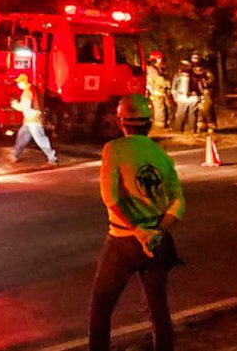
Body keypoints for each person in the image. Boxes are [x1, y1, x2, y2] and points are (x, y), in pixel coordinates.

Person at [89, 94, 185, 351]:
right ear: (149, 122)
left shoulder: (114, 150)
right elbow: (178, 204)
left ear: (121, 122)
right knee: (158, 310)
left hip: (122, 243)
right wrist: (156, 231)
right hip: (158, 243)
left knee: (101, 308)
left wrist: (137, 230)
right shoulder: (161, 155)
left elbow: (110, 198)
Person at [6, 74, 57, 166]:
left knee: (40, 139)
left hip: (33, 120)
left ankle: (52, 159)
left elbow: (24, 107)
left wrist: (14, 104)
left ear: (24, 82)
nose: (18, 84)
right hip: (30, 120)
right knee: (21, 137)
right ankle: (14, 155)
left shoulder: (27, 92)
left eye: (19, 82)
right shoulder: (34, 89)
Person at [146, 51, 172, 129]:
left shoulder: (159, 68)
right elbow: (159, 80)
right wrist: (168, 83)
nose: (161, 60)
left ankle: (166, 125)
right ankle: (159, 126)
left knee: (167, 108)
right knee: (160, 109)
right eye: (159, 59)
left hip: (162, 93)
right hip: (157, 93)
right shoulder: (151, 69)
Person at [171, 62, 199, 133]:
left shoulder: (178, 75)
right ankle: (192, 130)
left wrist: (175, 97)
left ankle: (178, 130)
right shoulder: (195, 75)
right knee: (192, 114)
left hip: (182, 97)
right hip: (193, 97)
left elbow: (174, 88)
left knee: (180, 114)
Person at [192, 60, 217, 132]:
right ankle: (201, 126)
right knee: (199, 111)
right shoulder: (193, 75)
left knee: (208, 109)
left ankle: (210, 126)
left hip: (206, 94)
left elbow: (211, 81)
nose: (198, 70)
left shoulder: (207, 74)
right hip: (196, 95)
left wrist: (206, 84)